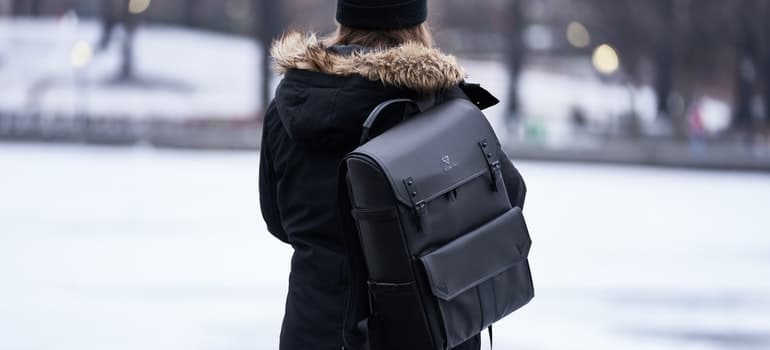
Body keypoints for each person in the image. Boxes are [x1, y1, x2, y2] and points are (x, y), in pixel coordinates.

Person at [259, 1, 527, 349]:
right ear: (418, 22)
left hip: (316, 330)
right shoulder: (441, 106)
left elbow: (277, 219)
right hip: (427, 328)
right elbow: (508, 198)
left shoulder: (290, 103)